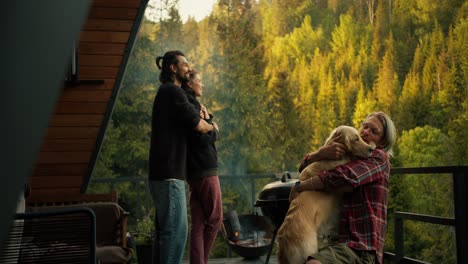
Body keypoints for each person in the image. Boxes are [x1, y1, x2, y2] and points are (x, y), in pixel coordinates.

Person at [290, 111, 397, 264]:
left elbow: (345, 177)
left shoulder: (378, 158)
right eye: (365, 127)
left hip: (359, 248)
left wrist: (301, 186)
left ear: (383, 142)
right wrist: (319, 154)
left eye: (374, 131)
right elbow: (305, 169)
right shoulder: (350, 154)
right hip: (334, 242)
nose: (366, 132)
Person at [149, 50, 215, 264]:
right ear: (172, 68)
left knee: (168, 234)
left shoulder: (167, 93)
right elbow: (198, 125)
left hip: (164, 175)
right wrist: (212, 126)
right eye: (184, 64)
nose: (188, 68)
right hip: (169, 175)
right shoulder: (172, 92)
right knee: (176, 234)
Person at [182, 70, 222, 264]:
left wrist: (208, 120)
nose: (202, 84)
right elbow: (199, 138)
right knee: (215, 219)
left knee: (198, 223)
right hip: (205, 170)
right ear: (190, 84)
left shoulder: (188, 104)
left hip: (194, 172)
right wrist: (214, 129)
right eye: (199, 81)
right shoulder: (191, 106)